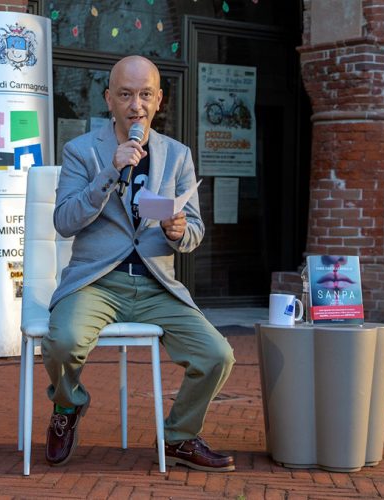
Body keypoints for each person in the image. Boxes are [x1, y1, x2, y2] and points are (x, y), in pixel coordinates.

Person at [42, 55, 236, 472]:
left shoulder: (178, 156)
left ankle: (179, 436)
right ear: (108, 98)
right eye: (126, 95)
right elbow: (64, 222)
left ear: (159, 99)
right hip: (97, 281)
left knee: (217, 354)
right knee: (62, 343)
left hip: (155, 283)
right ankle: (69, 404)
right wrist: (109, 173)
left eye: (145, 94)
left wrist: (178, 230)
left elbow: (195, 231)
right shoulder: (81, 151)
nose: (136, 105)